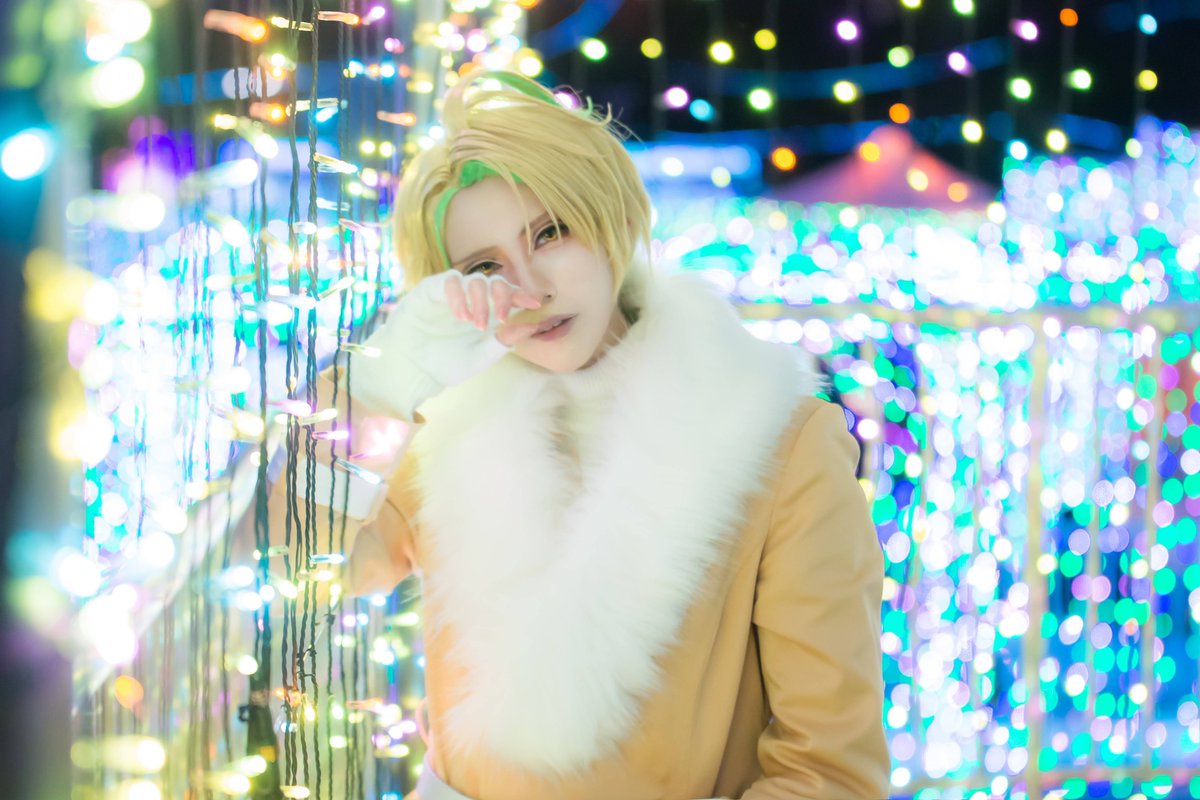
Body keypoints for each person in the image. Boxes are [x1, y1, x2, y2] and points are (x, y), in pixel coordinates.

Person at [269, 68, 890, 800]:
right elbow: (300, 573)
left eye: (551, 232)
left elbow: (828, 772)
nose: (531, 290)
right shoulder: (442, 429)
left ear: (611, 219)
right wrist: (378, 386)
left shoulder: (779, 439)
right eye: (486, 266)